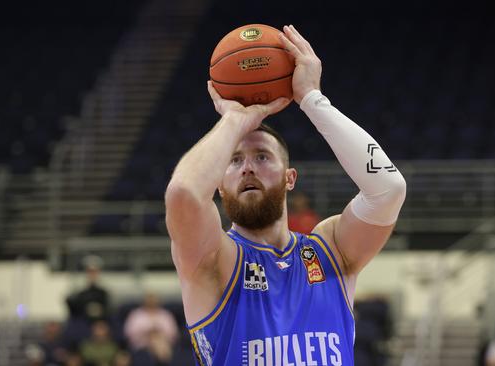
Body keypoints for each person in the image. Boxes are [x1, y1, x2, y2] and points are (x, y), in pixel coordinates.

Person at [165, 24, 406, 365]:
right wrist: (235, 120)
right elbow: (183, 195)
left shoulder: (331, 249)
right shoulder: (213, 259)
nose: (248, 167)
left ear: (290, 178)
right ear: (218, 184)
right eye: (234, 161)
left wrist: (312, 99)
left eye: (262, 156)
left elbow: (389, 189)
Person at [123, 292, 178, 364]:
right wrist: (147, 332)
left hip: (163, 343)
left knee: (158, 340)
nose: (152, 302)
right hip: (142, 344)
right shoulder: (136, 314)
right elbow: (128, 332)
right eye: (149, 300)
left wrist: (158, 332)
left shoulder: (165, 314)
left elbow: (173, 333)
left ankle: (162, 360)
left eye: (153, 300)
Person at [66, 255, 110, 324]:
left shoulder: (104, 292)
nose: (92, 275)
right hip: (82, 322)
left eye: (95, 271)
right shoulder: (79, 292)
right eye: (89, 271)